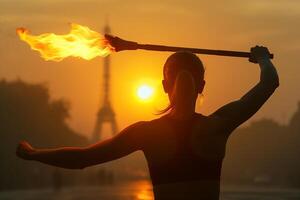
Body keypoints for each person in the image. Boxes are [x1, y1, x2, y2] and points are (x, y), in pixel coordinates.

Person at [16, 46, 279, 200]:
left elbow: (83, 158)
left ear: (165, 86)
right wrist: (263, 58)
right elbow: (269, 83)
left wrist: (35, 154)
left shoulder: (148, 134)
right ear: (202, 86)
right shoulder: (217, 126)